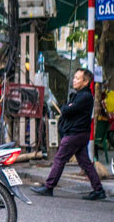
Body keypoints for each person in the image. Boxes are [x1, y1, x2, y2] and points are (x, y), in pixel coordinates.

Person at [31, 69, 105, 200]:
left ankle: (49, 186)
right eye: (74, 77)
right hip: (80, 133)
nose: (74, 80)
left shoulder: (85, 96)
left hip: (75, 134)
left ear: (86, 81)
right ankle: (98, 189)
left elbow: (67, 110)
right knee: (85, 162)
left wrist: (67, 107)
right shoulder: (79, 95)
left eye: (78, 78)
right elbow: (68, 108)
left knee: (59, 159)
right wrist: (68, 106)